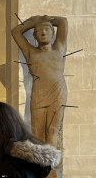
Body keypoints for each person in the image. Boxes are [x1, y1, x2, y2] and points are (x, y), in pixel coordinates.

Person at [12, 15, 68, 149]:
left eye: (47, 29)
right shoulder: (31, 52)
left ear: (53, 33)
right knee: (36, 133)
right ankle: (40, 165)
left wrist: (48, 20)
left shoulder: (59, 47)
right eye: (39, 31)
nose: (43, 33)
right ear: (35, 36)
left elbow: (63, 22)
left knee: (52, 131)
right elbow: (15, 32)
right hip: (39, 95)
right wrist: (34, 22)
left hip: (58, 92)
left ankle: (51, 166)